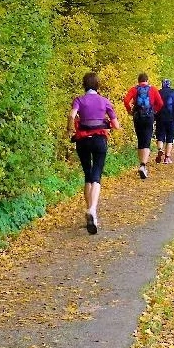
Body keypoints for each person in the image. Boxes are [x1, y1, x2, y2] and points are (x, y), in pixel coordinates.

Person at [67, 72, 120, 235]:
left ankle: (89, 212)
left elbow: (72, 115)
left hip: (82, 141)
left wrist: (69, 128)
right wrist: (108, 124)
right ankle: (92, 210)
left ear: (84, 85)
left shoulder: (79, 100)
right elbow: (116, 125)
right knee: (96, 175)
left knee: (88, 175)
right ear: (98, 85)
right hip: (99, 140)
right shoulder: (104, 101)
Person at [123, 72, 164, 179]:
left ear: (138, 81)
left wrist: (129, 110)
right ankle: (143, 165)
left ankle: (141, 163)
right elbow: (160, 103)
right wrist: (154, 111)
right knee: (147, 140)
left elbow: (126, 100)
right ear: (147, 80)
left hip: (138, 117)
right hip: (149, 117)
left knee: (140, 140)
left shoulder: (134, 89)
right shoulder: (153, 89)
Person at [154, 79, 174, 164]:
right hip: (171, 117)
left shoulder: (158, 92)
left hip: (160, 117)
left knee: (160, 135)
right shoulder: (173, 92)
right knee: (170, 137)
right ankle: (167, 158)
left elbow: (154, 105)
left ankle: (160, 149)